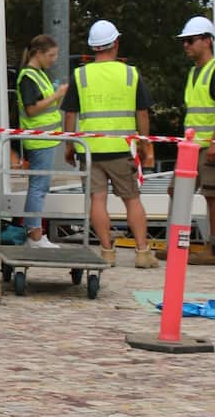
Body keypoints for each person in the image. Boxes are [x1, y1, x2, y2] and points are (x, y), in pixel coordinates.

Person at [63, 19, 155, 267]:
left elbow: (70, 114)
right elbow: (142, 113)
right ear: (115, 43)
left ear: (94, 47)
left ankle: (107, 252)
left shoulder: (80, 75)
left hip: (91, 150)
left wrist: (69, 146)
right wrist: (145, 145)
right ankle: (143, 252)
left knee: (98, 200)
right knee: (132, 199)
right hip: (121, 148)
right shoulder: (130, 73)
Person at [15, 33, 67, 248]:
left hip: (46, 139)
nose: (54, 59)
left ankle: (34, 232)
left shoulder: (39, 73)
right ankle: (34, 235)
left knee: (40, 186)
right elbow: (32, 109)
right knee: (39, 187)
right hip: (39, 140)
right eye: (51, 55)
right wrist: (56, 95)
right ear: (38, 53)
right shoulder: (28, 76)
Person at [178, 15, 215, 243]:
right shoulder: (193, 73)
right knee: (177, 191)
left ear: (207, 41)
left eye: (190, 40)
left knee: (212, 197)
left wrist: (214, 143)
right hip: (191, 147)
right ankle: (177, 244)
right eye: (184, 41)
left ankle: (213, 248)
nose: (185, 45)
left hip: (208, 148)